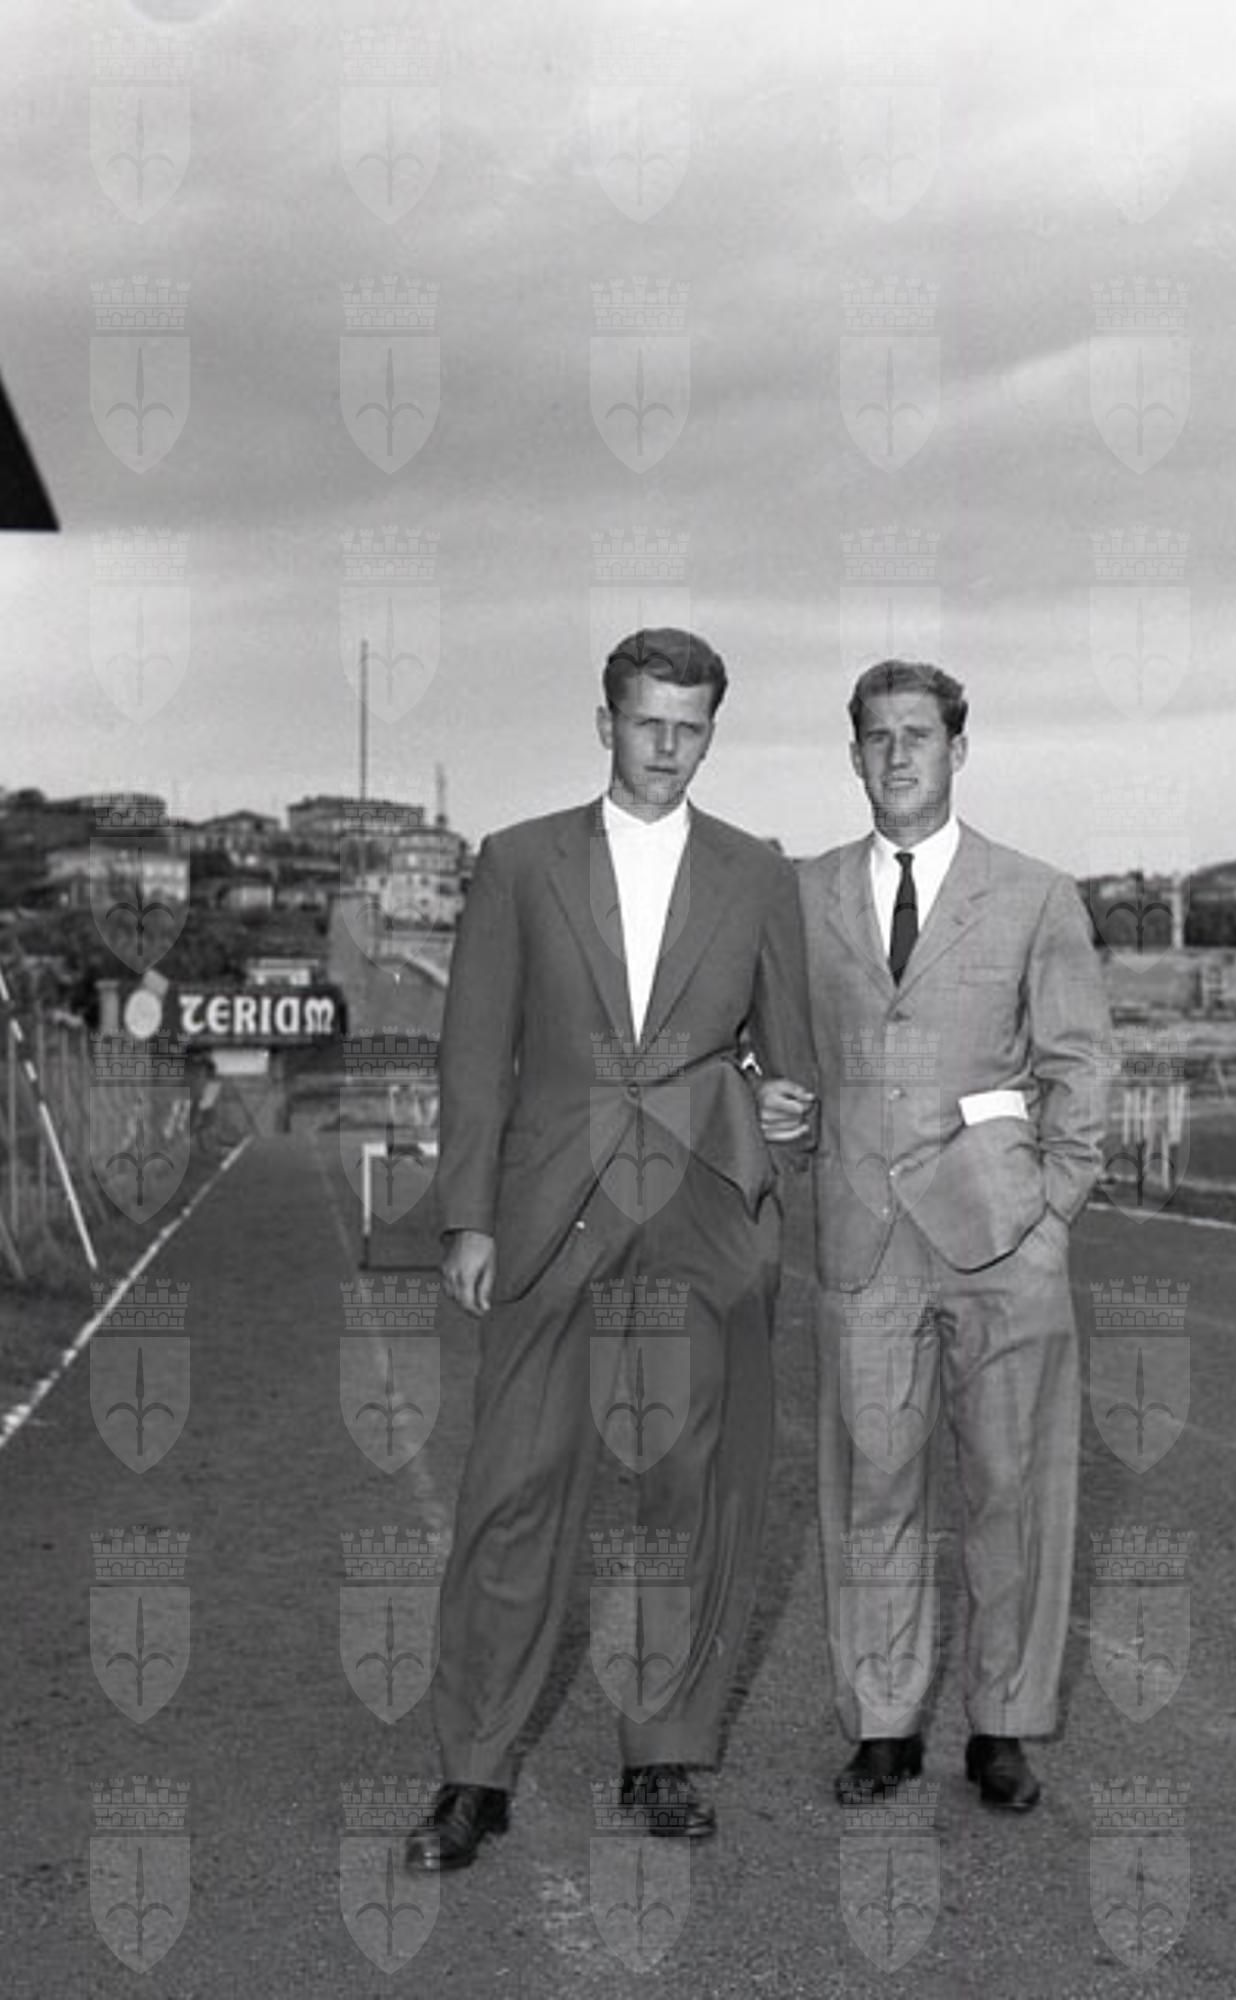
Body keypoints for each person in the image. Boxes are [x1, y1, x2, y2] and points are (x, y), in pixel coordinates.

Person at [407, 628, 816, 1872]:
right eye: (648, 723)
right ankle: (473, 1771)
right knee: (513, 1489)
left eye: (690, 727)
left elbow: (793, 1062)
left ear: (710, 732)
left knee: (695, 1490)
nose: (667, 748)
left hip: (701, 1210)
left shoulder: (757, 871)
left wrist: (787, 1117)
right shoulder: (517, 860)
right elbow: (474, 1053)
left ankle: (666, 1752)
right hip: (553, 1210)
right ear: (605, 724)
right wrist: (469, 1216)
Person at [785, 659, 1112, 1813]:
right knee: (871, 1492)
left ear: (957, 748)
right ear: (853, 754)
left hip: (1000, 1239)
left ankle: (1002, 1725)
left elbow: (1080, 1065)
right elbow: (775, 1052)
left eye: (917, 734)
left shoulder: (1034, 893)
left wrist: (1050, 1211)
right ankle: (881, 1726)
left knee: (1011, 1491)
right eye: (876, 736)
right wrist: (784, 1113)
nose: (897, 755)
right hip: (861, 1244)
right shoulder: (802, 894)